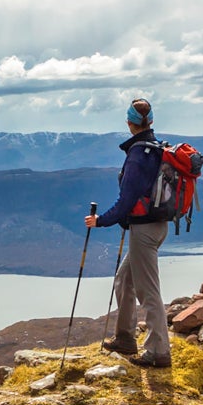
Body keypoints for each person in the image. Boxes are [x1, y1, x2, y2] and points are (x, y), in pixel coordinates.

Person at [83, 98, 171, 368]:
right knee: (124, 280)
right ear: (151, 121)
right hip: (155, 225)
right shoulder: (156, 148)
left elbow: (127, 200)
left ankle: (159, 352)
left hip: (144, 230)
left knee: (148, 291)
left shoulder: (138, 155)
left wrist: (101, 221)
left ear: (129, 123)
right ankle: (125, 338)